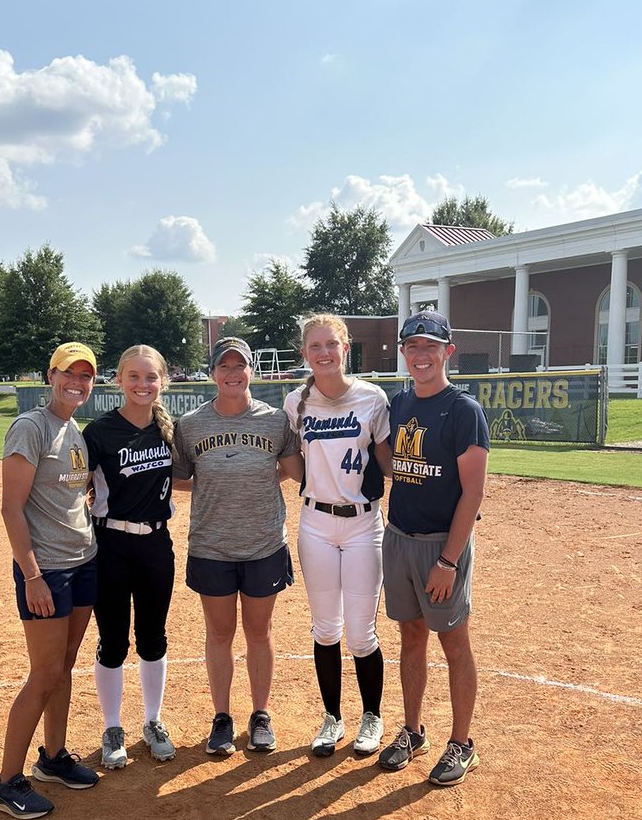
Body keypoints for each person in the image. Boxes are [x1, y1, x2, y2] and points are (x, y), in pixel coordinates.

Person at [0, 342, 100, 819]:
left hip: (83, 560)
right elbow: (11, 508)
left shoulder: (74, 429)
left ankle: (52, 758)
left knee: (65, 666)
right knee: (45, 673)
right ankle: (6, 781)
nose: (77, 382)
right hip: (47, 570)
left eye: (86, 375)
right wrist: (31, 575)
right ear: (49, 376)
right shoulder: (30, 428)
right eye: (68, 373)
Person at [173, 336, 301, 756]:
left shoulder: (274, 421)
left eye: (240, 365)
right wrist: (213, 484)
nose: (232, 373)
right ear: (213, 373)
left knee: (259, 632)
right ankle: (222, 718)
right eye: (224, 366)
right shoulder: (191, 425)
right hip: (212, 545)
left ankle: (260, 715)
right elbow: (178, 477)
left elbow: (290, 469)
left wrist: (260, 480)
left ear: (251, 371)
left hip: (264, 542)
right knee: (220, 633)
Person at [379, 312, 489, 786]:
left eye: (430, 346)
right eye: (412, 346)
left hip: (441, 546)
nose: (420, 355)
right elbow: (392, 464)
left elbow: (474, 492)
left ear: (448, 351)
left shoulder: (463, 410)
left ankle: (462, 744)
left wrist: (448, 561)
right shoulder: (399, 403)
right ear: (403, 352)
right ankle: (412, 729)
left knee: (454, 642)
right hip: (399, 537)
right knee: (411, 637)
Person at [283, 315, 393, 758]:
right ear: (305, 353)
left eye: (332, 344)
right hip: (316, 523)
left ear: (346, 348)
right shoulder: (296, 403)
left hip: (364, 524)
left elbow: (388, 463)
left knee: (361, 634)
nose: (324, 352)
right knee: (326, 628)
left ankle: (372, 716)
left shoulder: (372, 397)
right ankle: (332, 717)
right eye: (315, 346)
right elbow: (289, 462)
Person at [83, 344, 177, 768]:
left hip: (156, 544)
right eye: (134, 376)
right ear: (118, 380)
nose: (143, 384)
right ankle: (113, 725)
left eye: (150, 377)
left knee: (153, 637)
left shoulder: (169, 429)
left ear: (162, 381)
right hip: (112, 547)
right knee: (114, 640)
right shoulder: (100, 431)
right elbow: (76, 487)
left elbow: (188, 476)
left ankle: (153, 721)